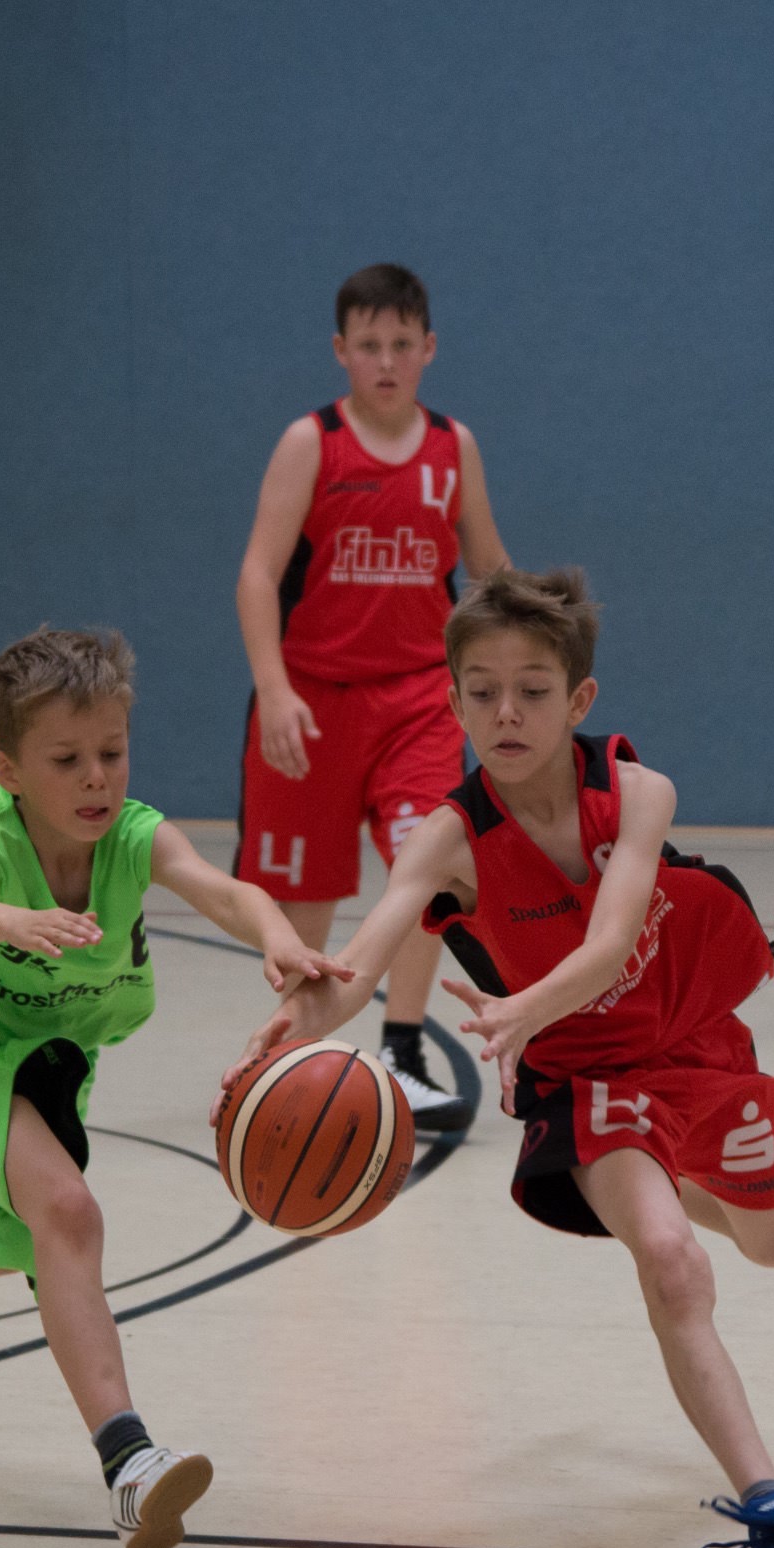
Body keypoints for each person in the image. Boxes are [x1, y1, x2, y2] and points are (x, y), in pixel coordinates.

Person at [227, 567, 774, 1548]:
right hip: (585, 1073)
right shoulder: (448, 838)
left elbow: (609, 942)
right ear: (453, 702)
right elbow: (360, 967)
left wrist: (519, 1007)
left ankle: (664, 1182)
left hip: (695, 1039)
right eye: (483, 692)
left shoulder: (638, 793)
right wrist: (297, 1022)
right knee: (673, 1263)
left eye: (534, 691)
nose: (507, 713)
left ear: (579, 699)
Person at [0, 627, 350, 1548]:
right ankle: (128, 1462)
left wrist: (276, 937)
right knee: (67, 1212)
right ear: (10, 771)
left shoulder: (136, 837)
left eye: (112, 751)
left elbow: (224, 891)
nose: (96, 777)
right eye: (66, 760)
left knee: (5, 1233)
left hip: (52, 1059)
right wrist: (12, 920)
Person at [232, 262, 514, 1136]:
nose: (386, 361)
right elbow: (257, 574)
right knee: (305, 906)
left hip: (419, 699)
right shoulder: (311, 443)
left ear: (428, 348)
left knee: (427, 870)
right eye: (368, 345)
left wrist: (538, 641)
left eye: (401, 344)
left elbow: (491, 570)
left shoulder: (453, 447)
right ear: (341, 350)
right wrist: (274, 689)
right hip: (313, 703)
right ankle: (289, 1055)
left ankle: (402, 1049)